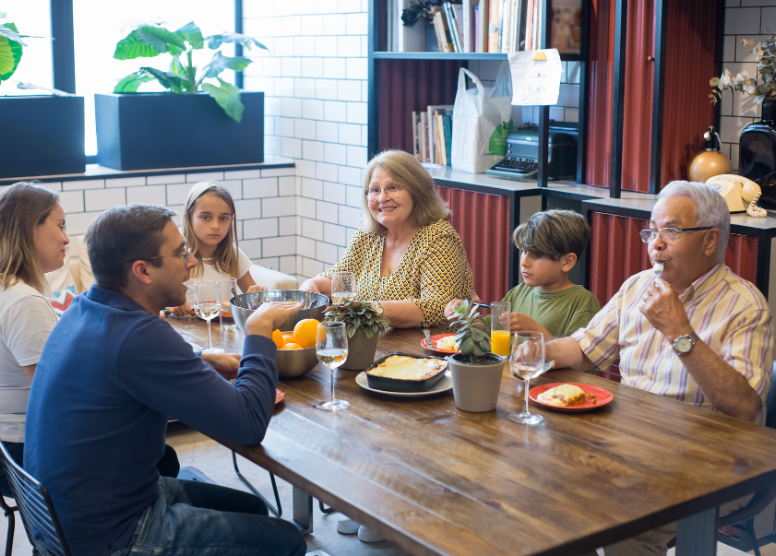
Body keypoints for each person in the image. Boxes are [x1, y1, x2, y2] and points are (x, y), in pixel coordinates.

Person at [24, 204, 307, 556]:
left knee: (250, 509)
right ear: (142, 270)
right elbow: (248, 424)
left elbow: (121, 365)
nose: (191, 261)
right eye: (180, 252)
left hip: (65, 519)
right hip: (112, 534)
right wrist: (259, 335)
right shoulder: (141, 336)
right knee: (288, 541)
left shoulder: (83, 309)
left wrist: (200, 359)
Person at [529, 182, 772, 556]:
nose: (654, 244)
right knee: (542, 489)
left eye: (670, 231)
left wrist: (679, 332)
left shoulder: (745, 306)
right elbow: (583, 349)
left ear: (710, 240)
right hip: (631, 445)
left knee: (624, 527)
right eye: (651, 231)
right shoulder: (638, 287)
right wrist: (534, 350)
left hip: (712, 461)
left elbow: (743, 408)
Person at [300, 150, 474, 329]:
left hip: (434, 350)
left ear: (417, 191)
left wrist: (371, 308)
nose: (382, 198)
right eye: (375, 190)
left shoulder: (439, 237)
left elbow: (437, 306)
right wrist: (311, 284)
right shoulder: (368, 236)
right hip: (379, 345)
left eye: (393, 187)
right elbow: (341, 282)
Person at [0, 182, 67, 497]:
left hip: (8, 444)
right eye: (60, 225)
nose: (66, 238)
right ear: (30, 231)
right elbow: (54, 395)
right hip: (19, 450)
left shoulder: (8, 288)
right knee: (161, 457)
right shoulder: (22, 299)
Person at [444, 209, 600, 339]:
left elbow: (581, 361)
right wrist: (464, 319)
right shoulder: (518, 292)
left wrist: (536, 332)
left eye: (537, 255)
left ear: (567, 262)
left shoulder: (583, 302)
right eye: (524, 251)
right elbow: (488, 333)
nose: (524, 262)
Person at [168, 181, 263, 316]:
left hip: (225, 334)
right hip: (184, 333)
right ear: (188, 219)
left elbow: (254, 300)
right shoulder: (175, 257)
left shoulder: (234, 256)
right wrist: (169, 305)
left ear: (231, 220)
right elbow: (152, 301)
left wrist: (259, 296)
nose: (215, 225)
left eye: (223, 218)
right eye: (205, 217)